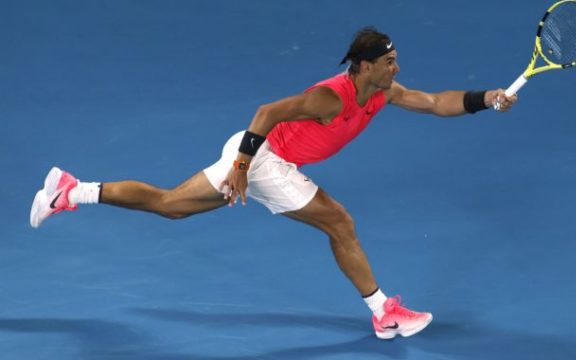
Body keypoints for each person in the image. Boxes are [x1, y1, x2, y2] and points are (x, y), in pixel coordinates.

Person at [30, 27, 517, 340]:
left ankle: (72, 190)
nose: (397, 68)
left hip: (258, 159)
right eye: (389, 62)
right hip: (262, 160)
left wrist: (485, 97)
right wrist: (243, 166)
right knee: (339, 222)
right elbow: (266, 113)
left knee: (170, 205)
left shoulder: (384, 92)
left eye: (396, 60)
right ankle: (383, 311)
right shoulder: (333, 97)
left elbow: (435, 103)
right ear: (364, 66)